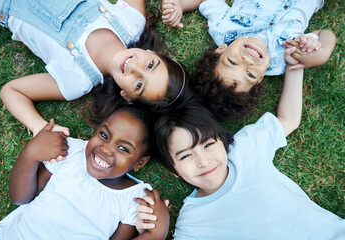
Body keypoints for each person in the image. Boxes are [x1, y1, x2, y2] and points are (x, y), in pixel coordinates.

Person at [134, 48, 345, 239]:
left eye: (208, 144)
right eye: (186, 155)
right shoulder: (192, 223)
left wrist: (294, 66)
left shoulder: (245, 148)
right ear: (174, 170)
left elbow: (288, 120)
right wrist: (152, 232)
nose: (203, 161)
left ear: (223, 141)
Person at [0, 0, 187, 136]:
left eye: (139, 84)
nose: (135, 68)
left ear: (127, 96)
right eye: (151, 65)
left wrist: (39, 127)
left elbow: (12, 91)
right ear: (154, 54)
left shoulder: (76, 81)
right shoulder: (133, 21)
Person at [0, 100, 169, 240]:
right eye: (104, 135)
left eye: (123, 149)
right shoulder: (70, 151)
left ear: (140, 163)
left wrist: (155, 235)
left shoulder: (135, 199)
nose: (106, 149)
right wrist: (30, 154)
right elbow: (21, 198)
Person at [160, 0, 336, 121]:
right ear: (260, 79)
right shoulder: (287, 57)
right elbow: (324, 34)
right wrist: (322, 52)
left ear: (221, 49)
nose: (248, 60)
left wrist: (180, 6)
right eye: (250, 74)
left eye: (233, 62)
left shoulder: (223, 28)